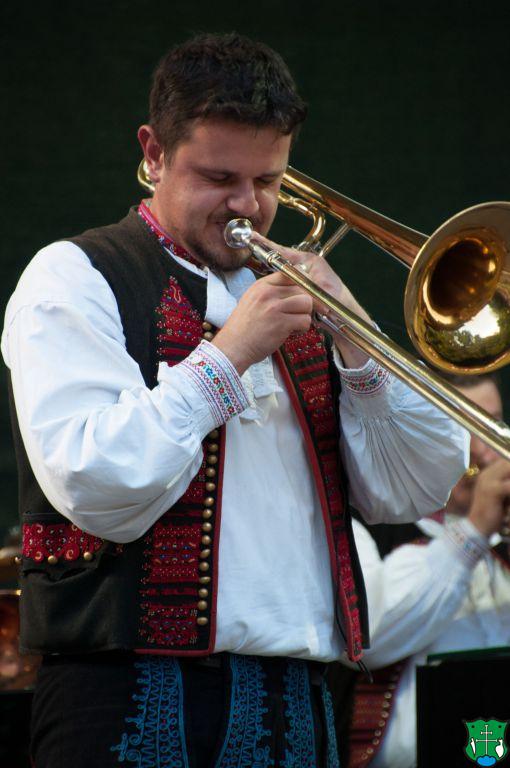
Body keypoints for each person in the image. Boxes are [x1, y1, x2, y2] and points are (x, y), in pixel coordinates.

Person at [1, 32, 467, 768]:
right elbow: (96, 479)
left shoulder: (296, 298)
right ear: (154, 153)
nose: (248, 205)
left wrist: (360, 345)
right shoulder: (73, 275)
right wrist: (228, 358)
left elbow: (415, 485)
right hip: (130, 690)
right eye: (219, 177)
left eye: (269, 180)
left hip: (302, 699)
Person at [343, 374, 510, 768]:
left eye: (495, 424)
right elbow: (367, 639)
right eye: (467, 424)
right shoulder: (366, 523)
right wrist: (473, 532)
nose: (488, 449)